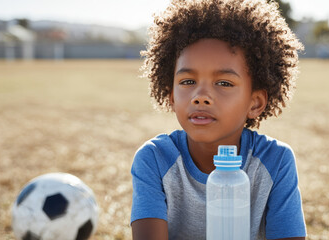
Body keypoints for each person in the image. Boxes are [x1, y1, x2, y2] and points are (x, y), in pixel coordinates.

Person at [130, 0, 306, 239]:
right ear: (171, 96)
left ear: (254, 103)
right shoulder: (154, 159)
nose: (200, 97)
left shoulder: (275, 161)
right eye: (187, 82)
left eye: (224, 83)